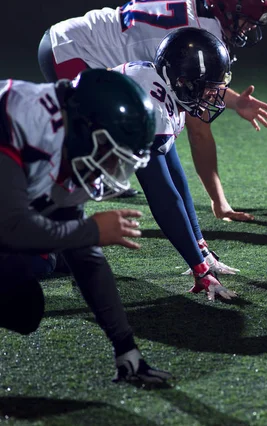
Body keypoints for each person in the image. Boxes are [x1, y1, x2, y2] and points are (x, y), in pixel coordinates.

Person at [37, 0, 267, 219]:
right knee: (104, 132)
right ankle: (44, 204)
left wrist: (235, 102)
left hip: (85, 40)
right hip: (73, 51)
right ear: (225, 8)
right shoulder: (199, 31)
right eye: (246, 20)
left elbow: (199, 85)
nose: (250, 28)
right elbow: (199, 130)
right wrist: (219, 202)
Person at [0, 68, 172, 383]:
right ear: (84, 128)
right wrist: (91, 230)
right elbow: (8, 228)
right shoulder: (18, 117)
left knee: (22, 304)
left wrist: (126, 348)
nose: (110, 169)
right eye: (109, 154)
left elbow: (85, 255)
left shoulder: (69, 142)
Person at [113, 27, 239, 299]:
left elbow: (175, 177)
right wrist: (200, 269)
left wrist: (201, 248)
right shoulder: (150, 106)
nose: (211, 97)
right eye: (207, 89)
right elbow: (164, 199)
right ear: (182, 81)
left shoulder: (161, 90)